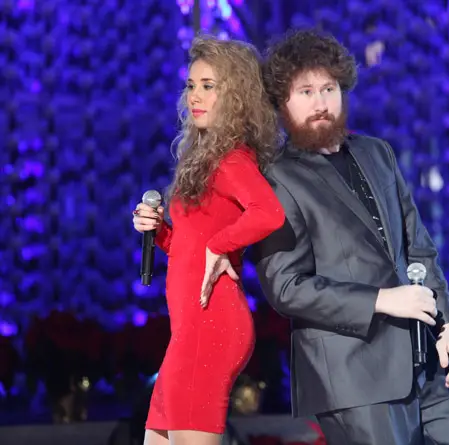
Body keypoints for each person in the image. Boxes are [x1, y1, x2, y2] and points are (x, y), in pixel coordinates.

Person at [253, 29, 449, 445]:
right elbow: (286, 287)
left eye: (329, 88)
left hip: (425, 363)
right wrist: (382, 300)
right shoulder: (277, 178)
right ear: (282, 101)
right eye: (305, 91)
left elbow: (420, 251)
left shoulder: (377, 153)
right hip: (354, 378)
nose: (321, 102)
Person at [132, 35, 284, 445]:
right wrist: (159, 230)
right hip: (189, 331)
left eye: (208, 86)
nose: (195, 96)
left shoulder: (232, 158)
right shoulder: (203, 158)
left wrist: (221, 246)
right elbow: (189, 245)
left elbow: (269, 213)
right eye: (191, 85)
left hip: (211, 325)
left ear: (234, 95)